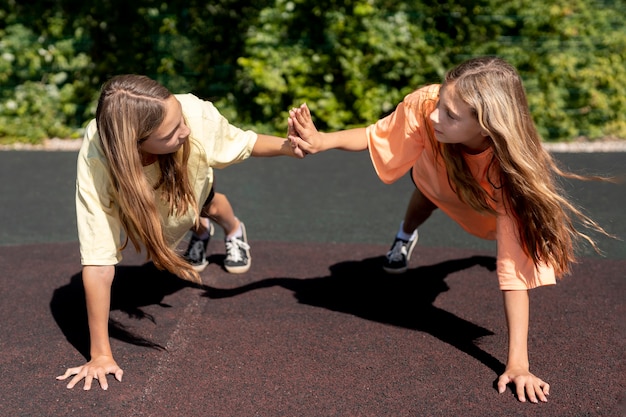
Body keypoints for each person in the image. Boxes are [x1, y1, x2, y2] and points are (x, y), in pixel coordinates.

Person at [287, 56, 614, 404]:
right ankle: (404, 236)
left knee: (473, 222)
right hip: (436, 172)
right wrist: (321, 141)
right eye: (440, 102)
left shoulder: (510, 176)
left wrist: (518, 362)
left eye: (450, 114)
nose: (434, 115)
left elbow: (513, 272)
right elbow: (376, 134)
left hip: (479, 192)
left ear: (488, 126)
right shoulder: (429, 108)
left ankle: (412, 235)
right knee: (426, 197)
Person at [57, 74, 306, 390]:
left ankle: (233, 230)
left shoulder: (192, 115)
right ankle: (201, 232)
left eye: (180, 120)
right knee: (185, 220)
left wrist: (289, 146)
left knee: (211, 208)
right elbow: (98, 258)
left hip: (190, 183)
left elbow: (243, 141)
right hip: (151, 199)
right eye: (172, 132)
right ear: (136, 141)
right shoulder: (98, 158)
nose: (185, 130)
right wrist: (100, 355)